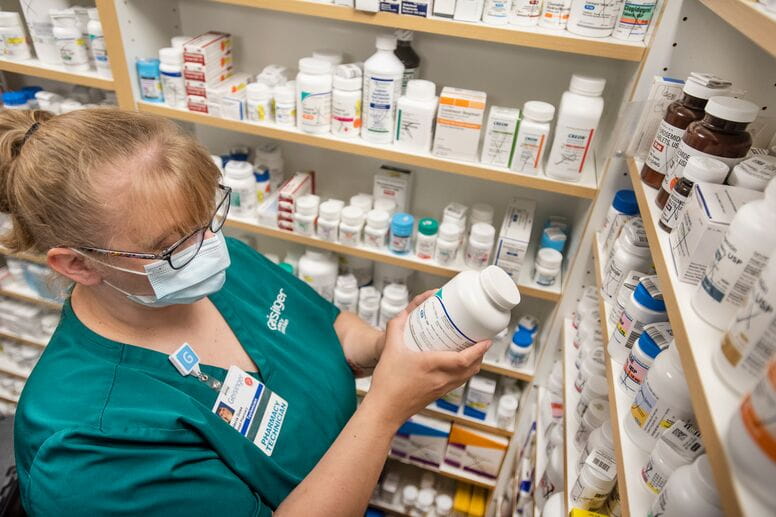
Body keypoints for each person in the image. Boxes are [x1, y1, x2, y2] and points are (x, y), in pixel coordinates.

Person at [0, 108, 490, 516]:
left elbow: (332, 328)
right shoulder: (88, 446)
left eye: (208, 219)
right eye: (171, 246)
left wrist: (391, 345)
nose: (210, 249)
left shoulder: (207, 267)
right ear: (78, 264)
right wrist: (386, 410)